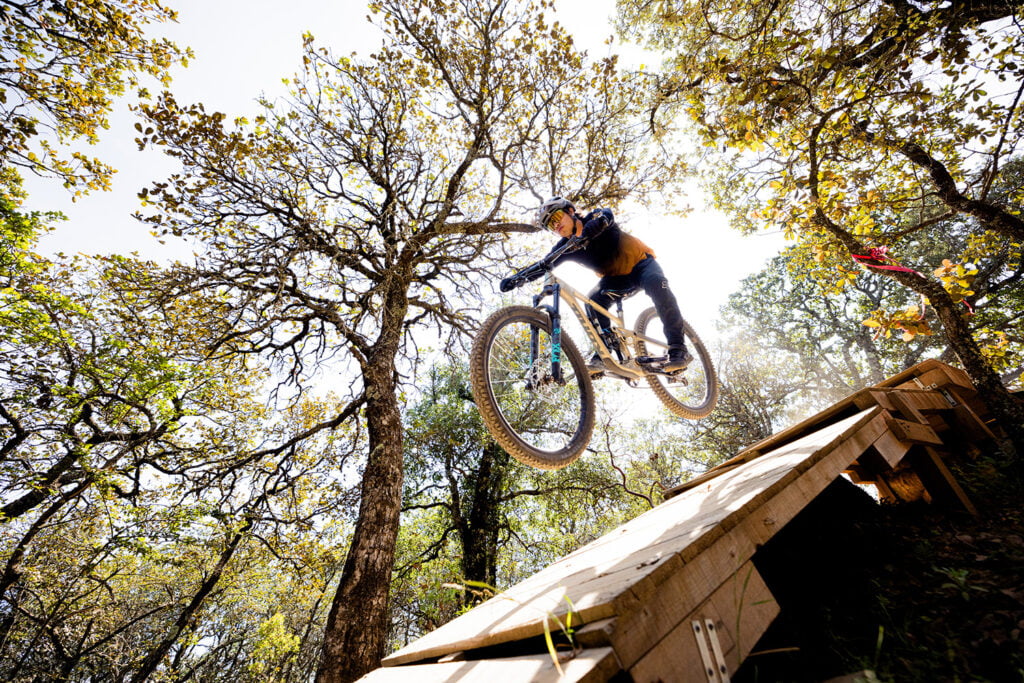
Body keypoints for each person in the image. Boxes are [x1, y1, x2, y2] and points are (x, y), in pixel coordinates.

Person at [502, 196, 692, 374]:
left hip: (641, 264)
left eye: (557, 217)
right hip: (616, 281)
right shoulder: (565, 247)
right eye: (551, 225)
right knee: (593, 303)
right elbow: (544, 264)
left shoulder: (593, 218)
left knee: (657, 285)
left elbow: (606, 214)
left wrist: (598, 224)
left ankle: (678, 349)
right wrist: (517, 278)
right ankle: (604, 355)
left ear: (570, 211)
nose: (556, 225)